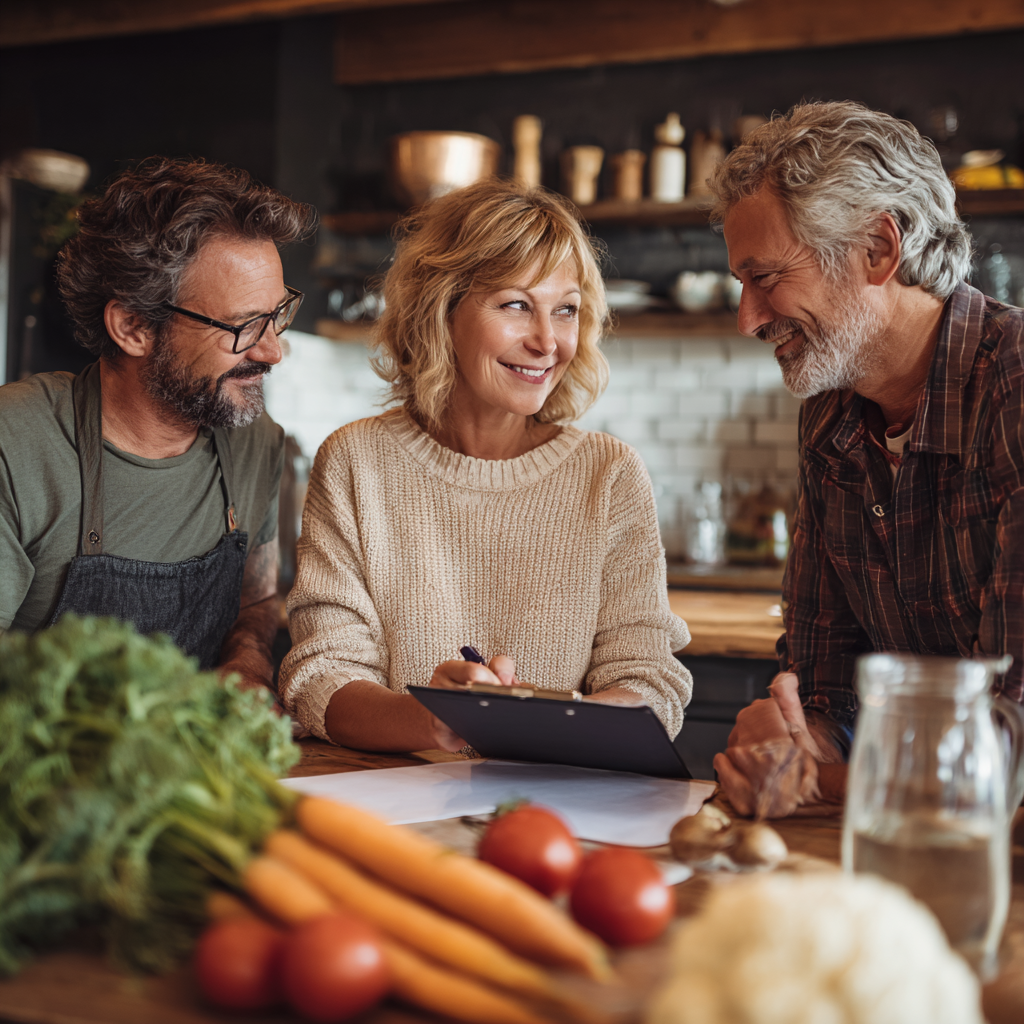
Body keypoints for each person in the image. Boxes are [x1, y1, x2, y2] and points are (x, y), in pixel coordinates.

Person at [280, 179, 692, 752]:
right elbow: (322, 677)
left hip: (556, 806)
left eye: (566, 310)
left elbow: (647, 678)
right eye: (517, 305)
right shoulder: (357, 461)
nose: (549, 341)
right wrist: (433, 719)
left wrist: (546, 726)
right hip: (397, 806)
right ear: (440, 311)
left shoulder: (609, 473)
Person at [707, 100, 1024, 817]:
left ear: (879, 249)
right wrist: (794, 737)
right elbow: (827, 688)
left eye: (765, 277)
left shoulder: (1015, 390)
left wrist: (819, 778)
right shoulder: (831, 419)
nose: (748, 319)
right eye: (740, 283)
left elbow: (1008, 747)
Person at [0, 158, 316, 699]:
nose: (273, 351)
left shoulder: (255, 444)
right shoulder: (19, 444)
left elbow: (256, 601)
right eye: (243, 327)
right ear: (133, 327)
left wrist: (247, 664)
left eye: (277, 315)